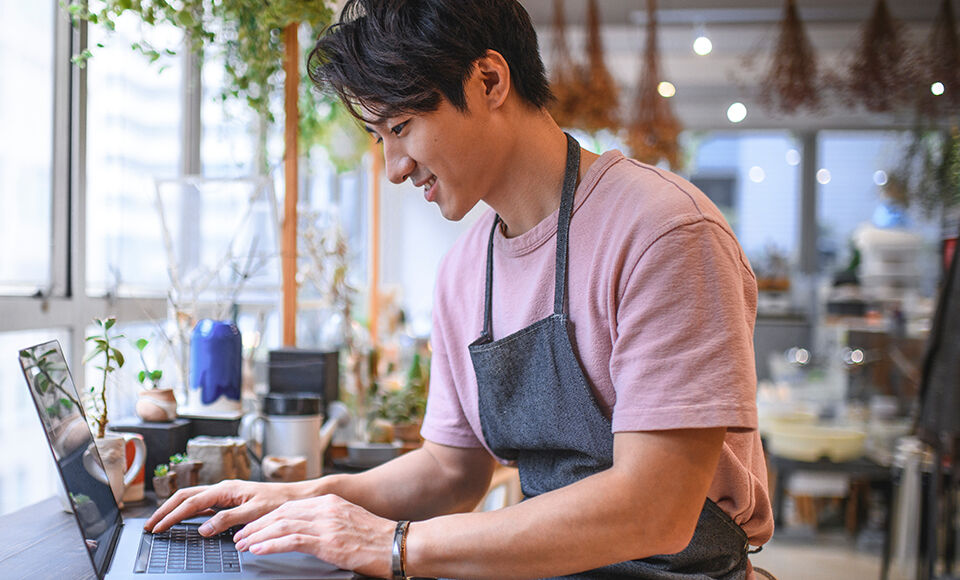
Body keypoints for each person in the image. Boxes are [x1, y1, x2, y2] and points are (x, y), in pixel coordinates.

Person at [144, 1, 774, 578]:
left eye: (403, 127)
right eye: (379, 138)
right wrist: (302, 496)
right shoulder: (466, 268)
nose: (393, 168)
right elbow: (451, 471)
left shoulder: (663, 232)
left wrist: (391, 545)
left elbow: (654, 509)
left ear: (490, 81)